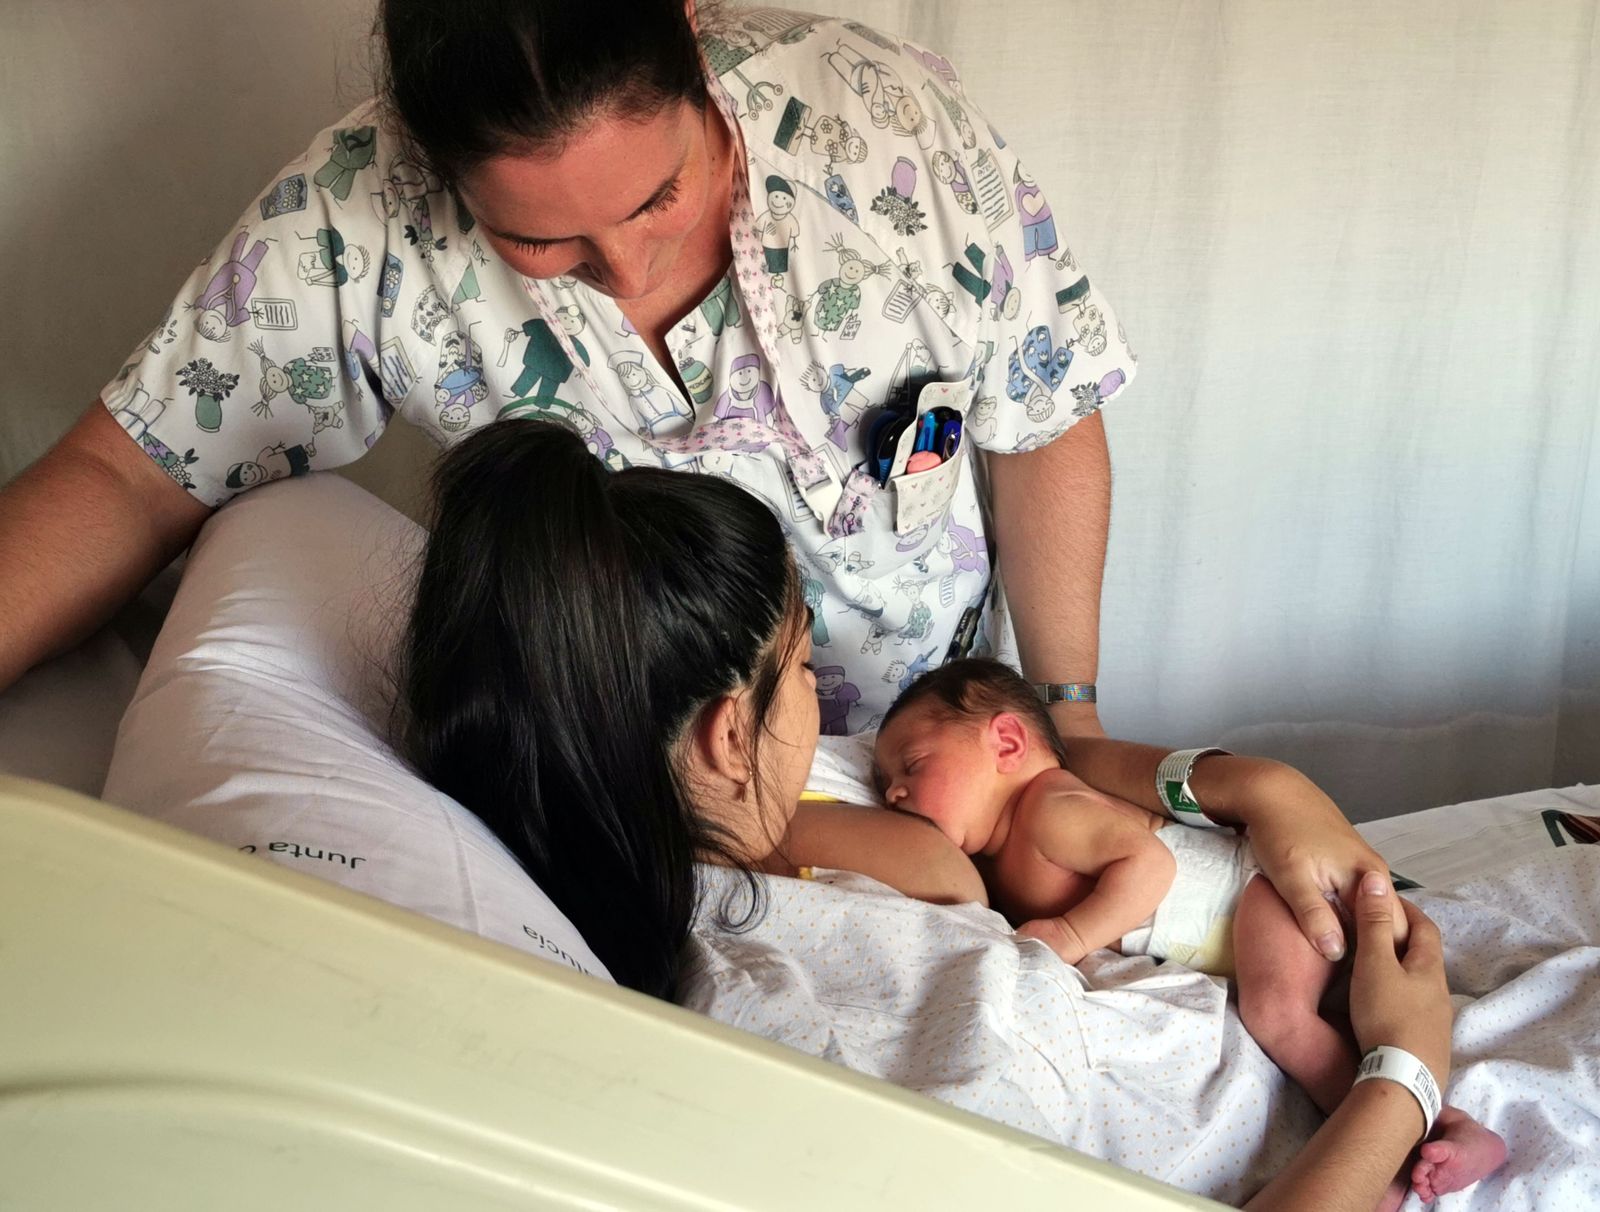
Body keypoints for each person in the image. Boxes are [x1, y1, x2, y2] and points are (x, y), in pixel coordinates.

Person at [0, 0, 1395, 975]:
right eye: (539, 242)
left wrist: (1071, 716)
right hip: (665, 793)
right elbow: (125, 474)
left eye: (658, 197)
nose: (622, 269)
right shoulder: (359, 219)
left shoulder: (880, 129)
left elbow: (1042, 411)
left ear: (693, 34)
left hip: (930, 752)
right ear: (438, 177)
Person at [401, 419, 1469, 1212]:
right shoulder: (805, 1012)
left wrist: (1261, 787)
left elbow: (997, 833)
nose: (838, 726)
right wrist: (1404, 1074)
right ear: (729, 737)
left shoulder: (676, 874)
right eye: (805, 669)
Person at [872, 658, 1507, 1208]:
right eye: (883, 785)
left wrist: (1069, 932)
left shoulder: (1048, 807)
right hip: (1241, 930)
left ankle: (1394, 1159)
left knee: (1281, 1016)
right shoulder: (1003, 851)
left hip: (1257, 892)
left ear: (1007, 742)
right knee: (1332, 1033)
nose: (895, 792)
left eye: (913, 764)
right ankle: (1454, 1130)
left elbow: (1150, 866)